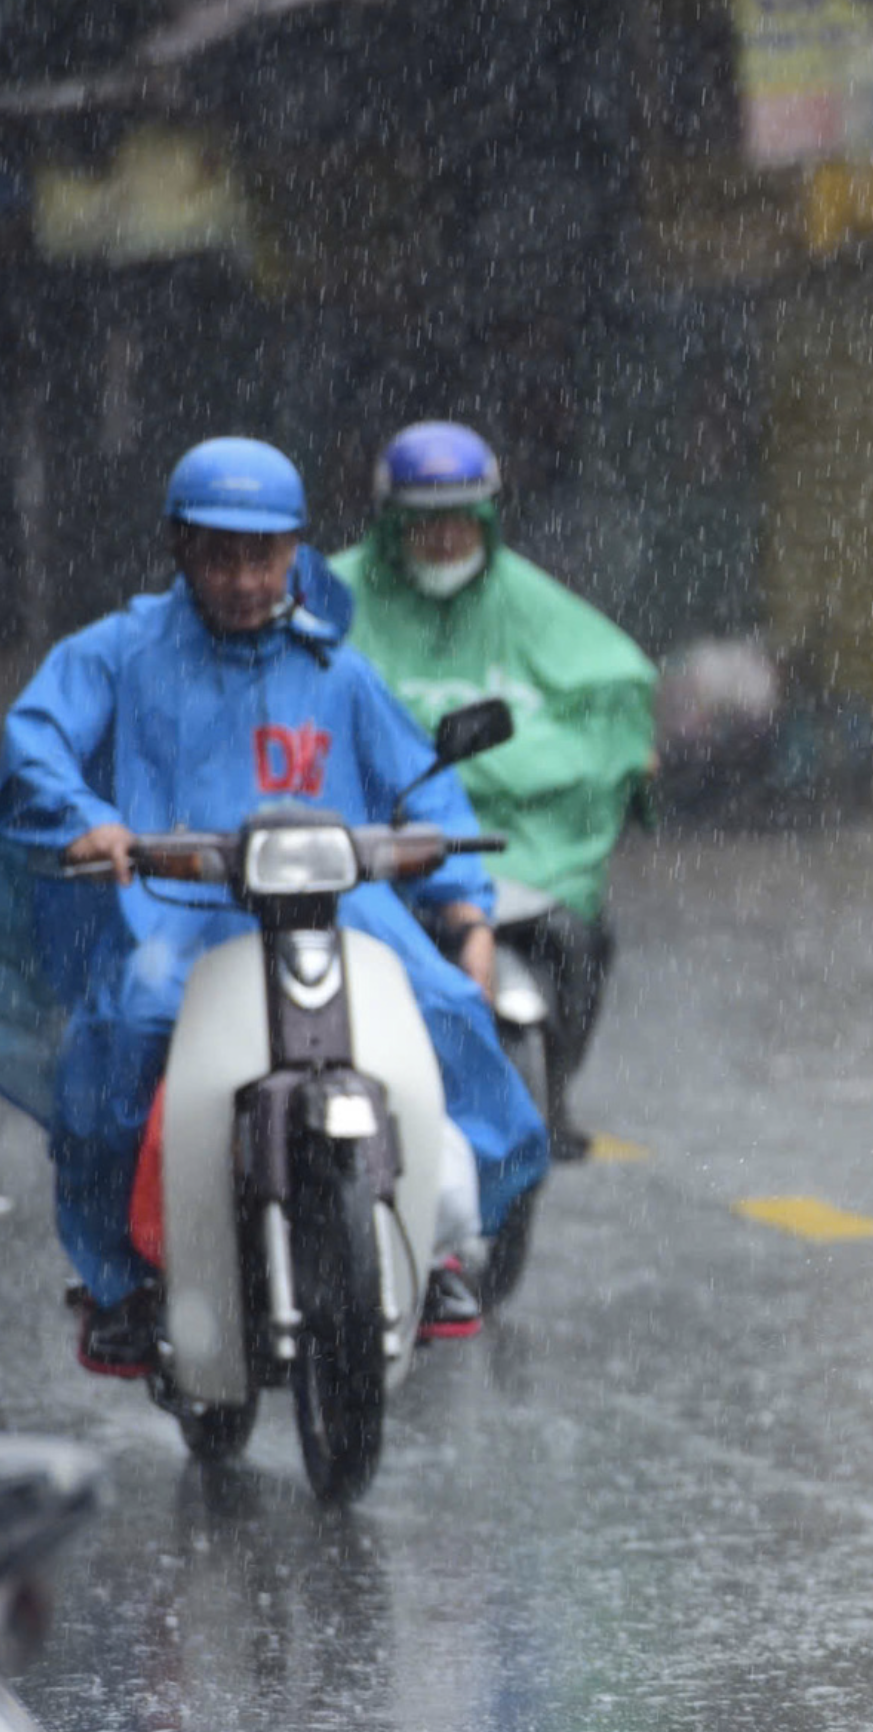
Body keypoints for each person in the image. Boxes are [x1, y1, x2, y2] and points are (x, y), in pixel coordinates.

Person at [3, 437, 547, 1374]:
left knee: (452, 1011)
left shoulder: (335, 669)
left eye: (266, 554)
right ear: (181, 548)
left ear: (297, 549)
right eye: (221, 554)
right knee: (122, 1033)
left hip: (337, 906)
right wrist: (89, 819)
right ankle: (123, 1282)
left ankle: (446, 1244)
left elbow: (424, 793)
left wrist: (465, 912)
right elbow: (33, 740)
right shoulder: (119, 652)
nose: (246, 578)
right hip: (179, 910)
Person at [333, 421, 655, 1160]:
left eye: (461, 520)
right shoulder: (334, 598)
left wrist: (631, 749)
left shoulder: (526, 603)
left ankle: (553, 1089)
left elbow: (613, 685)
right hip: (372, 844)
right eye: (425, 522)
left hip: (513, 849)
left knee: (577, 939)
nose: (444, 539)